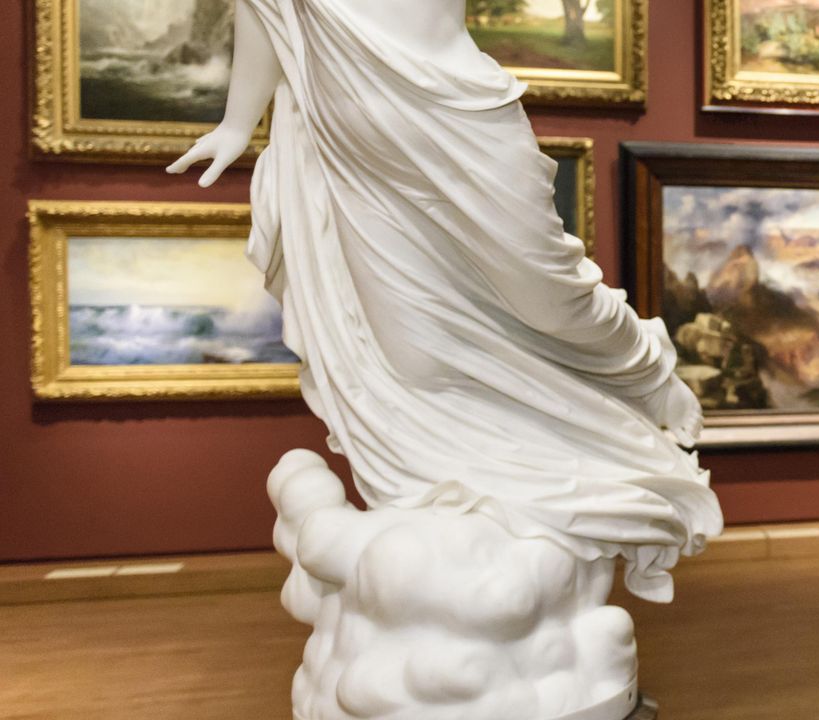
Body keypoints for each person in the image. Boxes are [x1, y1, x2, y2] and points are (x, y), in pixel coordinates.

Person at [164, 0, 720, 600]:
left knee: (550, 298)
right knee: (413, 360)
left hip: (457, 113)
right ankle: (460, 523)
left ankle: (644, 364)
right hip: (347, 142)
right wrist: (237, 122)